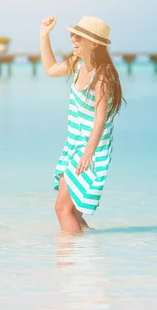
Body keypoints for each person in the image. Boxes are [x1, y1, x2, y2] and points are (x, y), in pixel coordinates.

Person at [39, 15, 124, 233]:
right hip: (76, 145)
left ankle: (69, 257)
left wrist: (88, 152)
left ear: (93, 43)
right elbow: (50, 70)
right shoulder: (77, 64)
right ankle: (85, 252)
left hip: (91, 149)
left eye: (79, 37)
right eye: (72, 35)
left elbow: (100, 119)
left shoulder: (102, 76)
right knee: (72, 211)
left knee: (62, 208)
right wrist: (43, 35)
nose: (73, 40)